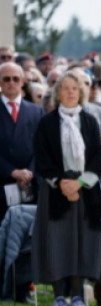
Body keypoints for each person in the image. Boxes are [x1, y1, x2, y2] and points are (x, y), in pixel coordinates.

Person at [32, 69, 101, 306]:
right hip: (56, 189)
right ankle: (58, 297)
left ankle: (77, 296)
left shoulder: (90, 121)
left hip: (85, 189)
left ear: (82, 92)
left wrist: (80, 183)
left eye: (74, 88)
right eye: (65, 88)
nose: (70, 92)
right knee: (57, 241)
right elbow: (42, 158)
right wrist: (63, 183)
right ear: (57, 93)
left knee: (81, 242)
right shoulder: (47, 123)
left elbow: (99, 155)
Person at [1, 61, 43, 223]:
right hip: (3, 181)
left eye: (15, 79)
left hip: (30, 184)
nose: (11, 83)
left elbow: (42, 147)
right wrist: (12, 172)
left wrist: (29, 172)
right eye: (6, 79)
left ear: (22, 82)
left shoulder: (36, 111)